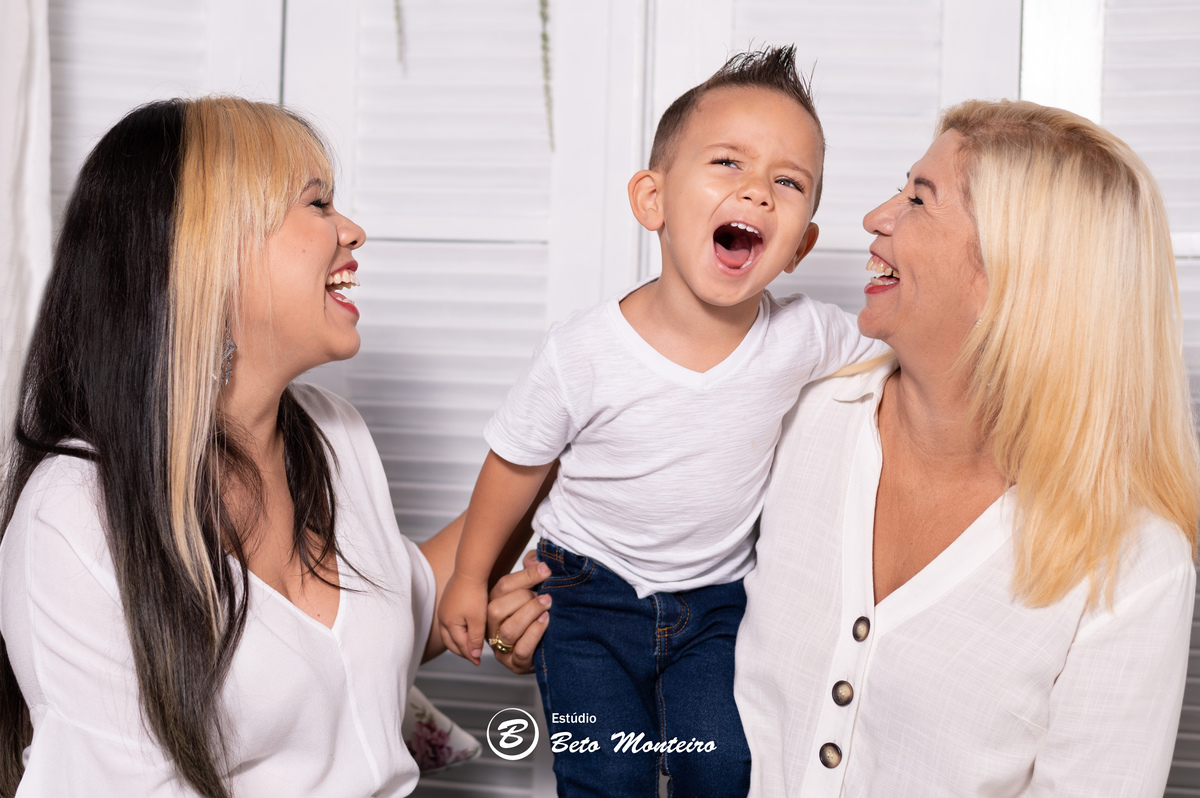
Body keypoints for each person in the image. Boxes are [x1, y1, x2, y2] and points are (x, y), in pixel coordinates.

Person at [0, 97, 547, 798]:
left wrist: (561, 445)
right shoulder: (74, 520)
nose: (353, 230)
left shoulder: (332, 435)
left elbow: (400, 615)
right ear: (205, 249)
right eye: (317, 204)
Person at [437, 46, 887, 796]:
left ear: (802, 245)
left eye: (788, 181)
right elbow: (516, 464)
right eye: (728, 164)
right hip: (583, 596)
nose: (758, 192)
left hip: (717, 604)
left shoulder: (808, 335)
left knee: (727, 768)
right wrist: (468, 576)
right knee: (608, 772)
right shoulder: (583, 351)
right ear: (653, 200)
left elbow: (906, 360)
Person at [733, 99, 1200, 796]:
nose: (876, 217)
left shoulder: (1133, 566)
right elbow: (658, 593)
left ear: (1013, 272)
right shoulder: (796, 417)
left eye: (919, 199)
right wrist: (550, 622)